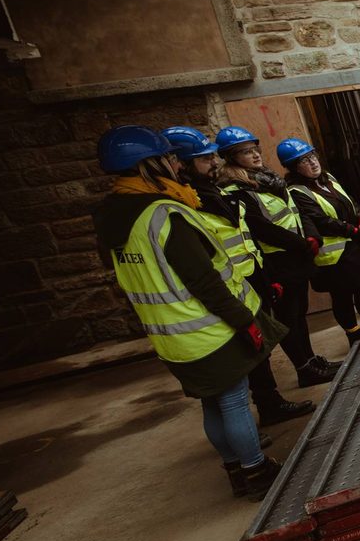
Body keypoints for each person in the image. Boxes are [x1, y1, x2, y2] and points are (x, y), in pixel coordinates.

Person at [91, 125, 284, 499]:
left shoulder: (112, 216)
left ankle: (235, 470)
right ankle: (256, 470)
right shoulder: (163, 213)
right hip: (209, 329)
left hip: (171, 336)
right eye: (168, 158)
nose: (175, 164)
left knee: (212, 401)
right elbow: (205, 280)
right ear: (150, 165)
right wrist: (245, 320)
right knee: (233, 401)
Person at [163, 126, 317, 427]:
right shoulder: (194, 201)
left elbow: (246, 237)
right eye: (205, 159)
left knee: (261, 345)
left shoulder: (215, 192)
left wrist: (265, 274)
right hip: (230, 286)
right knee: (249, 351)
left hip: (252, 277)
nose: (213, 163)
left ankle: (271, 399)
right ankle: (268, 404)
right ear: (183, 163)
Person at [215, 125, 340, 387]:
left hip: (296, 256)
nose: (255, 155)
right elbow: (261, 227)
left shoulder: (266, 178)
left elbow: (293, 211)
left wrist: (310, 236)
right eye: (246, 152)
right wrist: (300, 243)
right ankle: (304, 369)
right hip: (276, 261)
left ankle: (311, 359)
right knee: (287, 318)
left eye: (255, 149)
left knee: (299, 313)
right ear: (231, 157)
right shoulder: (234, 188)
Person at [279, 137, 360, 347]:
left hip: (353, 246)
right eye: (304, 161)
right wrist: (354, 230)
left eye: (312, 156)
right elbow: (321, 220)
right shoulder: (297, 192)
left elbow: (351, 201)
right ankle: (354, 334)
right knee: (342, 296)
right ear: (294, 168)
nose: (312, 162)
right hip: (333, 255)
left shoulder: (328, 178)